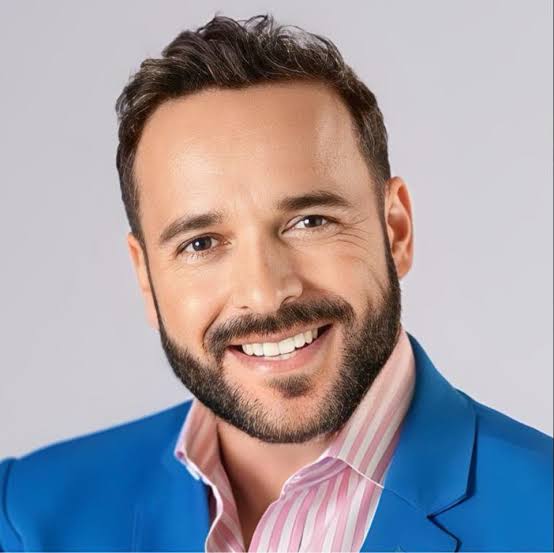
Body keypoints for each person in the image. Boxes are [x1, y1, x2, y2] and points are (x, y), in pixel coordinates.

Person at [0, 14, 552, 553]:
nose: (265, 293)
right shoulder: (26, 514)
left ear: (396, 230)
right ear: (146, 277)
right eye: (201, 243)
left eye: (310, 222)